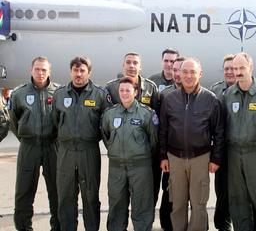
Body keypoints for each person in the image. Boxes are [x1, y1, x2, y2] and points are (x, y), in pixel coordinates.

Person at [159, 58, 224, 231]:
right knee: (177, 203)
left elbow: (218, 132)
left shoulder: (211, 99)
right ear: (179, 74)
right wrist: (163, 156)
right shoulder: (170, 99)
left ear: (200, 74)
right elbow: (163, 130)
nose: (188, 76)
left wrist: (216, 158)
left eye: (193, 72)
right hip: (175, 159)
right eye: (185, 72)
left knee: (199, 204)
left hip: (200, 158)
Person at [52, 56, 110, 231]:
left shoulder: (100, 95)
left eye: (82, 70)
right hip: (66, 152)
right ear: (71, 71)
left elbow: (106, 124)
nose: (78, 74)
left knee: (90, 196)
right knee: (65, 197)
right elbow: (55, 121)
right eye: (75, 70)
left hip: (89, 151)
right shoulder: (60, 94)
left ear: (89, 72)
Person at [221, 52, 256, 231]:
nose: (238, 72)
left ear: (250, 68)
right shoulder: (228, 95)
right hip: (234, 154)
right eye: (235, 68)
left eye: (241, 68)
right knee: (238, 200)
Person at [105, 52, 161, 218]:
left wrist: (143, 150)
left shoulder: (150, 87)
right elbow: (106, 128)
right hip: (119, 158)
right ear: (123, 66)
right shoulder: (111, 87)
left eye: (135, 63)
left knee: (143, 201)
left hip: (142, 158)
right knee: (117, 203)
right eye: (128, 62)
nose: (131, 66)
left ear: (140, 66)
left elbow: (154, 126)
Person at [10, 57, 60, 231]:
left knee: (57, 191)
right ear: (31, 70)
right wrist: (26, 137)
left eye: (44, 70)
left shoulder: (59, 92)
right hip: (29, 146)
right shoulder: (19, 93)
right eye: (37, 69)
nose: (40, 73)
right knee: (24, 191)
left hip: (53, 146)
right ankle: (24, 228)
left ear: (49, 72)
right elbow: (13, 121)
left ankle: (57, 227)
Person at [158, 55, 185, 231]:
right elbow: (160, 127)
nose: (176, 74)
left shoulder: (200, 94)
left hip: (193, 155)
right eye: (174, 70)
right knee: (169, 194)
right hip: (171, 154)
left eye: (180, 70)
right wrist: (162, 155)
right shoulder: (164, 95)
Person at [208, 54, 235, 231]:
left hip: (240, 148)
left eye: (233, 68)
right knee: (222, 190)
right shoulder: (215, 91)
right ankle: (222, 224)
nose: (230, 72)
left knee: (241, 190)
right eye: (226, 69)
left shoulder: (247, 90)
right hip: (221, 148)